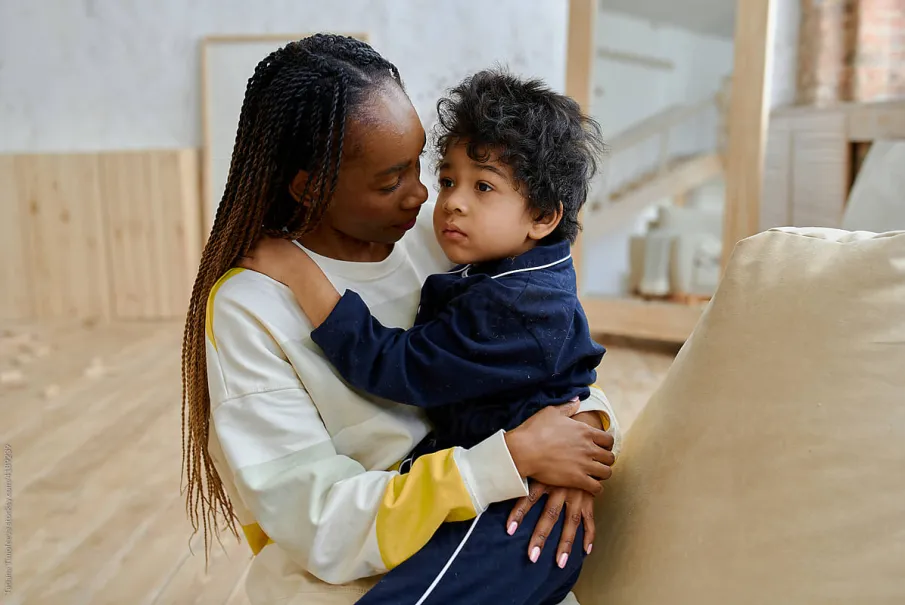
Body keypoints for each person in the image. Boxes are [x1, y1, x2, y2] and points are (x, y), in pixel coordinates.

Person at [180, 34, 621, 605]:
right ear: (309, 187)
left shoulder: (449, 239)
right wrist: (510, 460)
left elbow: (556, 361)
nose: (424, 198)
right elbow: (322, 526)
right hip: (354, 572)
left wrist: (579, 445)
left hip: (498, 517)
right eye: (393, 180)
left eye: (421, 168)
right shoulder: (251, 308)